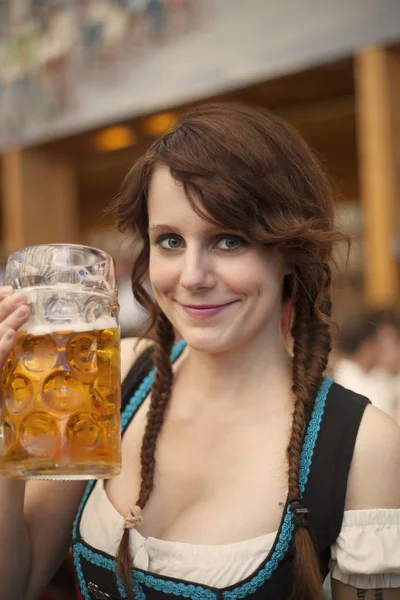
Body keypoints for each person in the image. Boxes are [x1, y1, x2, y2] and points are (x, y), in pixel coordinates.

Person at [0, 103, 399, 600]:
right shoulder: (117, 375)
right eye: (169, 240)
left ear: (290, 252)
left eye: (229, 240)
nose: (191, 277)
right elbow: (15, 581)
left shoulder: (364, 447)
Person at [334, 310, 400, 420]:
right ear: (367, 346)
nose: (381, 350)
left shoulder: (378, 376)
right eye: (378, 343)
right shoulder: (344, 373)